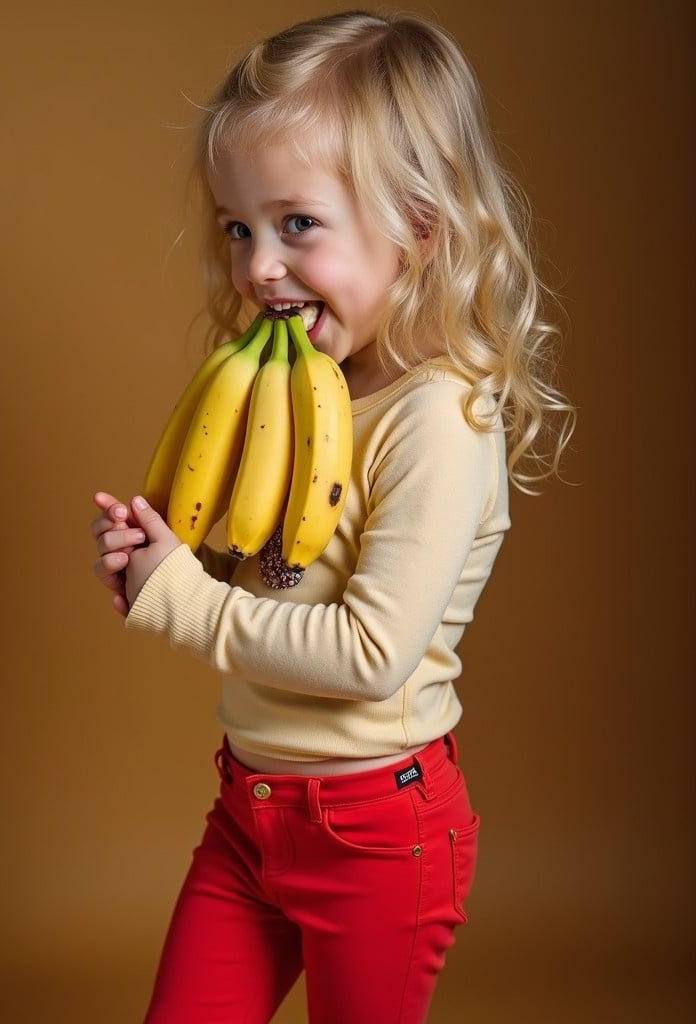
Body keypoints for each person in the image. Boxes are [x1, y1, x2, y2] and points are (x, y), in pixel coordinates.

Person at [90, 10, 577, 1023]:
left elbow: (368, 651)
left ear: (418, 223)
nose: (260, 265)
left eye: (296, 224)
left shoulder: (442, 420)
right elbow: (288, 581)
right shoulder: (303, 395)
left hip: (380, 838)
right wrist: (188, 561)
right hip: (250, 815)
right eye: (238, 228)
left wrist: (180, 601)